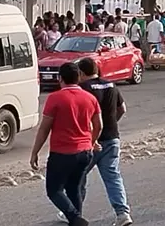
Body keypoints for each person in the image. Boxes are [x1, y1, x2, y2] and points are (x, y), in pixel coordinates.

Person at [56, 58, 132, 226]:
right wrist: (112, 123)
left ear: (82, 73)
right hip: (112, 138)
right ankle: (123, 214)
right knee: (113, 176)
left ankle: (74, 213)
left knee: (78, 177)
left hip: (90, 141)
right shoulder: (111, 85)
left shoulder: (84, 88)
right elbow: (122, 109)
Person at [30, 62, 102, 226]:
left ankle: (75, 218)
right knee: (74, 188)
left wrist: (35, 152)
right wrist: (92, 141)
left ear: (60, 78)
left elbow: (44, 129)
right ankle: (76, 220)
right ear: (78, 78)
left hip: (62, 152)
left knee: (54, 190)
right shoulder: (90, 98)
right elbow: (99, 125)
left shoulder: (55, 98)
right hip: (85, 152)